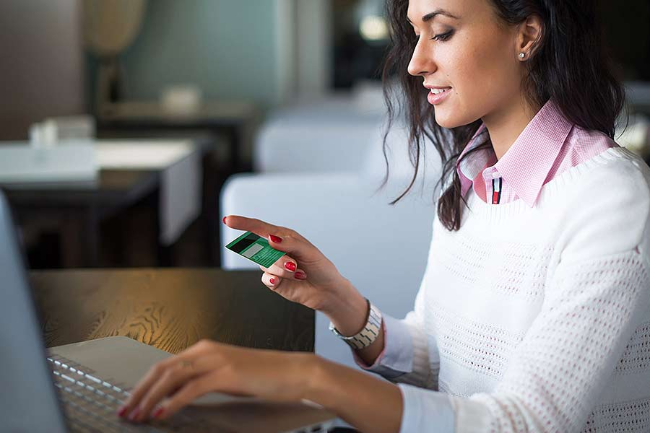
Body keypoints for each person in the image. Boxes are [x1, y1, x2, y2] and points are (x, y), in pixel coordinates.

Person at [117, 0, 650, 431]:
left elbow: (527, 423)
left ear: (526, 36)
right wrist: (342, 303)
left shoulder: (607, 195)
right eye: (415, 34)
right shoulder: (475, 176)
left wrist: (312, 377)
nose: (416, 62)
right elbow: (440, 363)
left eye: (440, 32)